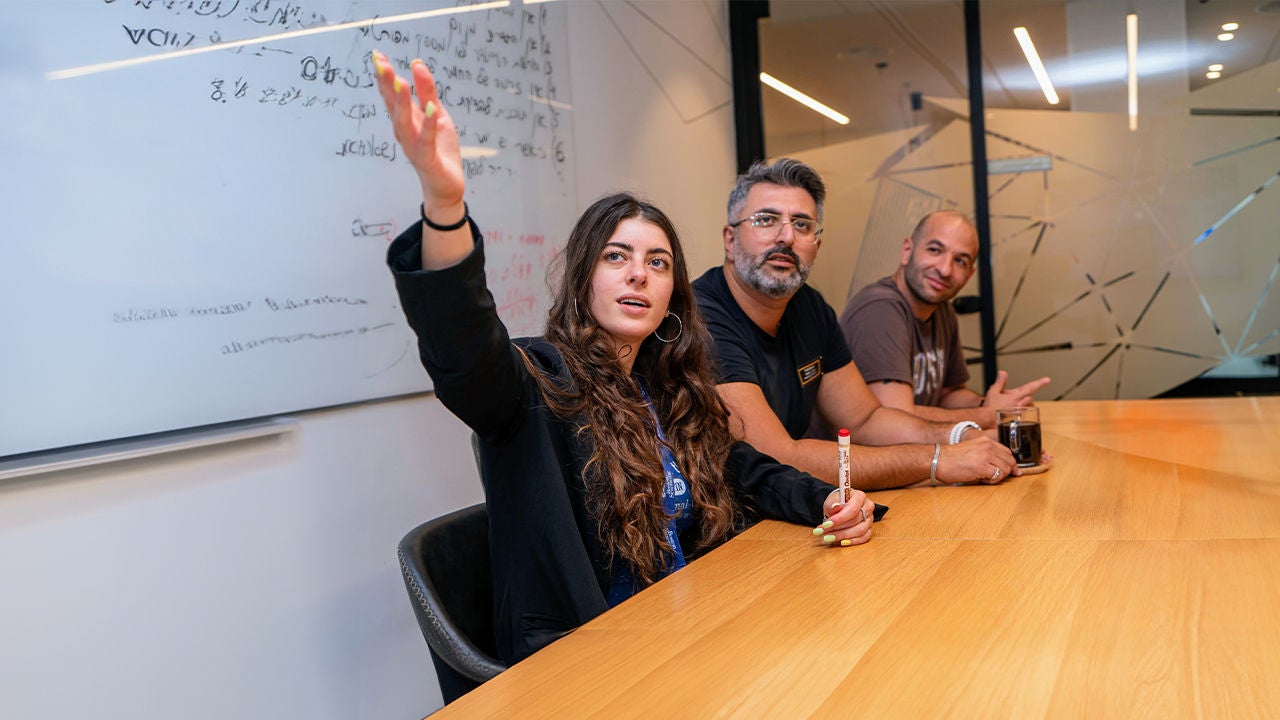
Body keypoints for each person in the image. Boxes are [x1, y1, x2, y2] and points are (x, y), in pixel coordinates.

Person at [371, 54, 876, 667]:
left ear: (671, 298)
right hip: (587, 661)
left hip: (690, 629)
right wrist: (444, 205)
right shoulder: (535, 383)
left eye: (658, 263)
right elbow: (461, 344)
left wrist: (825, 499)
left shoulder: (669, 390)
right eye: (617, 257)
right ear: (583, 277)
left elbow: (746, 470)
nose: (639, 272)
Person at [693, 158, 1018, 491]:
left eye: (802, 224)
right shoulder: (701, 318)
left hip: (790, 506)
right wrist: (937, 459)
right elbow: (778, 457)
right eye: (766, 220)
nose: (786, 237)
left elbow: (866, 419)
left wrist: (958, 435)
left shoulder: (810, 307)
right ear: (730, 240)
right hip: (723, 529)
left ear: (816, 245)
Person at [841, 210, 1050, 427]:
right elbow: (895, 417)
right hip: (850, 457)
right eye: (934, 250)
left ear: (969, 275)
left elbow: (947, 394)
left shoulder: (941, 310)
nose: (945, 269)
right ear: (907, 251)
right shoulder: (879, 309)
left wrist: (991, 404)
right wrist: (990, 415)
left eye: (960, 261)